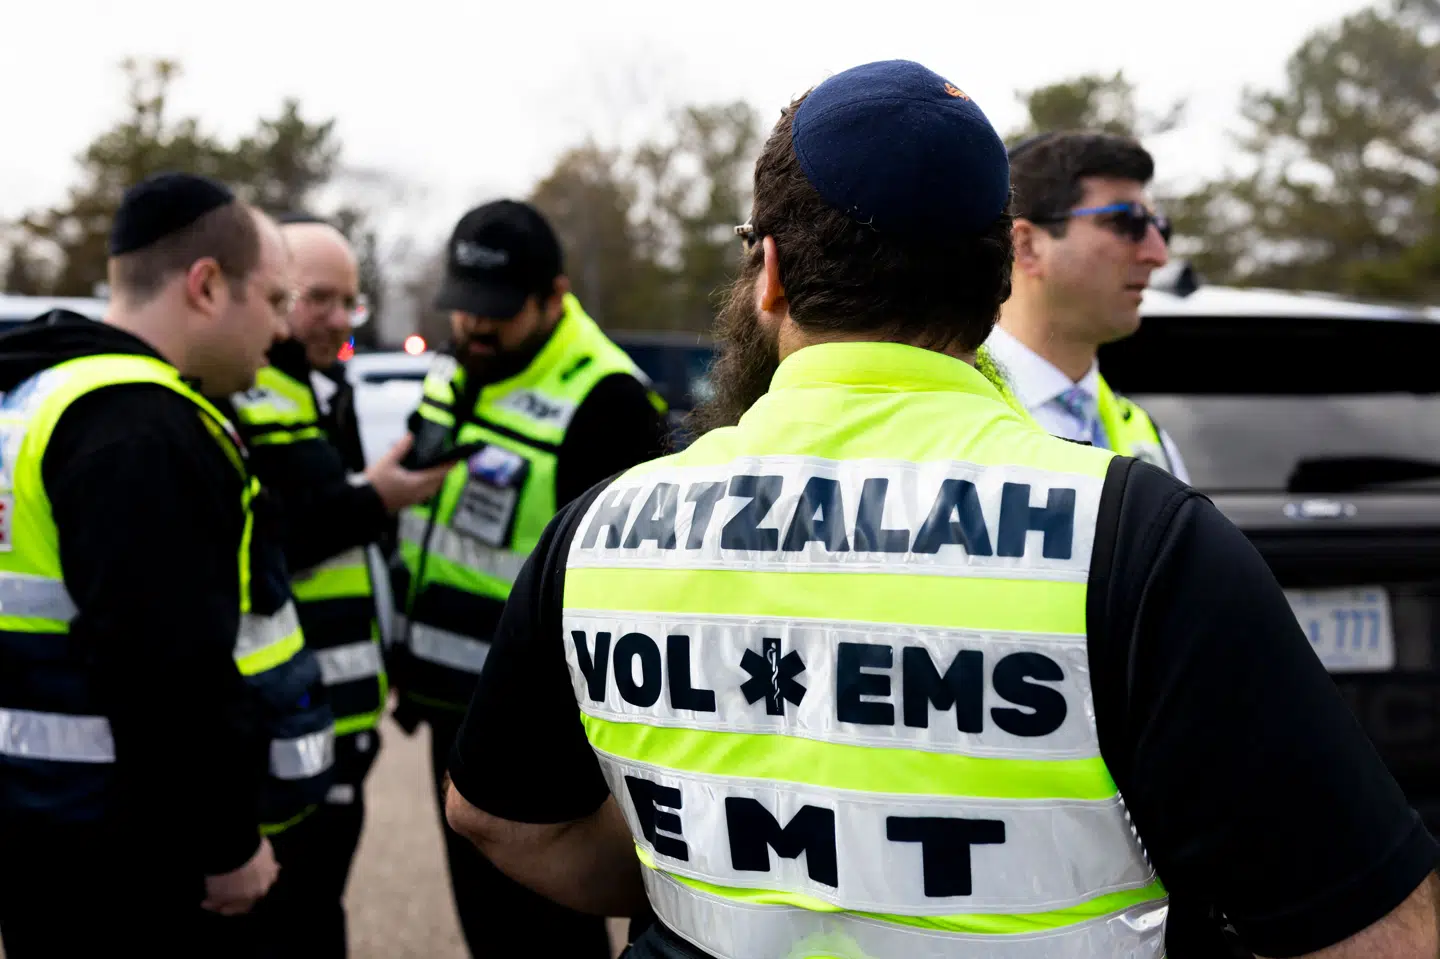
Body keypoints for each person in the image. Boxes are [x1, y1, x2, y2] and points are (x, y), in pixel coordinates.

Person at [442, 60, 1440, 959]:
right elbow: (1378, 931)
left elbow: (497, 817)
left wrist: (706, 876)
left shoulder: (604, 528)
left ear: (773, 275)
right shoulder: (1132, 533)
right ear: (995, 276)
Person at [0, 173, 305, 955]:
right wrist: (227, 844)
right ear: (206, 286)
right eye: (274, 301)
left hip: (41, 831)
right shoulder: (145, 430)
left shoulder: (35, 394)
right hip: (127, 854)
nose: (283, 332)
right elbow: (164, 672)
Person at [388, 198, 671, 957]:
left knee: (542, 937)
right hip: (453, 705)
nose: (474, 328)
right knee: (488, 928)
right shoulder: (459, 370)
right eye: (464, 309)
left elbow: (628, 592)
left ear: (555, 296)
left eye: (497, 313)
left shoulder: (606, 399)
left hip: (539, 723)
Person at [219, 214, 451, 958]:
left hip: (343, 713)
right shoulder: (247, 392)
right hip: (285, 714)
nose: (336, 318)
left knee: (317, 907)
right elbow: (273, 537)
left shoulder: (326, 386)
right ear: (272, 289)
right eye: (316, 297)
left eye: (348, 301)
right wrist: (377, 496)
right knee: (294, 919)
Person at [982, 130, 1191, 481]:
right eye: (1128, 222)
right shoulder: (948, 417)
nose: (1158, 255)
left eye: (1159, 226)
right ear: (1027, 246)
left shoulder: (1150, 440)